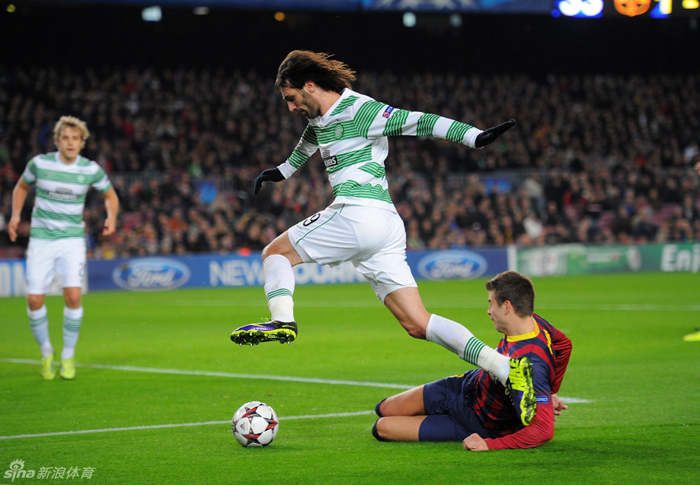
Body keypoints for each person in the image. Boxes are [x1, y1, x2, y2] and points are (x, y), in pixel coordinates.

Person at [230, 50, 536, 425]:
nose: (290, 107)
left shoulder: (363, 110)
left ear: (309, 86)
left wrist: (474, 137)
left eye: (291, 98)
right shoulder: (318, 119)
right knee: (418, 324)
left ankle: (282, 321)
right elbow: (306, 147)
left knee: (274, 253)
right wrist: (278, 172)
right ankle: (507, 369)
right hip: (385, 226)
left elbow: (419, 122)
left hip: (359, 213)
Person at [372, 271, 572, 450]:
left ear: (507, 306)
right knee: (383, 408)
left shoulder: (531, 365)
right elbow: (564, 345)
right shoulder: (536, 323)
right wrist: (550, 390)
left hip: (475, 423)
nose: (488, 311)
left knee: (381, 428)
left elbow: (544, 430)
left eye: (491, 303)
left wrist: (489, 444)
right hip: (462, 387)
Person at [8, 116, 119, 380]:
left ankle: (67, 356)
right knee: (34, 299)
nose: (70, 143)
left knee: (73, 296)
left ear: (82, 143)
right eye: (65, 138)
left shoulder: (90, 169)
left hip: (71, 240)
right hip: (41, 239)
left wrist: (111, 217)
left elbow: (110, 195)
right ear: (57, 141)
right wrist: (14, 216)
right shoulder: (40, 164)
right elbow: (21, 186)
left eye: (75, 138)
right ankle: (46, 351)